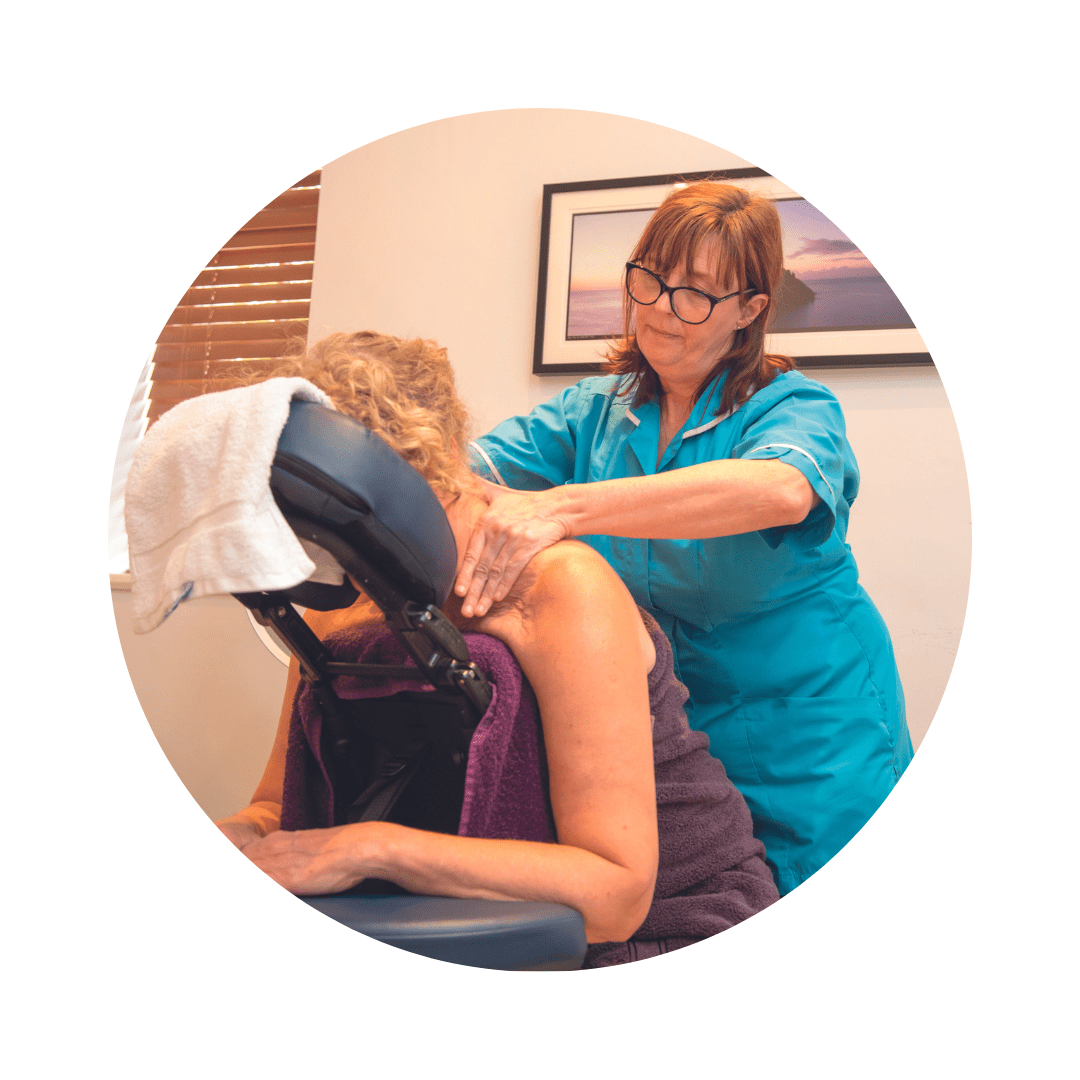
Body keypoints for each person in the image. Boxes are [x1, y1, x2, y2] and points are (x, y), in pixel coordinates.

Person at [215, 331, 778, 966]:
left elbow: (615, 893)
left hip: (665, 929)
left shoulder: (559, 590)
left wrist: (369, 848)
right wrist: (239, 837)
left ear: (452, 459)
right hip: (442, 914)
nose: (373, 552)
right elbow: (275, 805)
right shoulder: (341, 601)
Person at [457, 182, 914, 896]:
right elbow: (461, 472)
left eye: (696, 293)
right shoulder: (597, 411)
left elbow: (781, 489)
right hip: (677, 735)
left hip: (812, 731)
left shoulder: (792, 407)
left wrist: (562, 507)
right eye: (649, 280)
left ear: (751, 310)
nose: (661, 309)